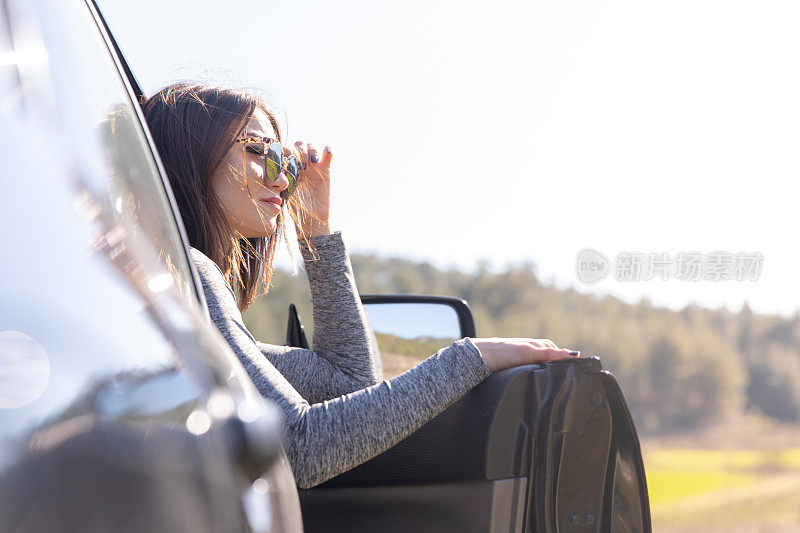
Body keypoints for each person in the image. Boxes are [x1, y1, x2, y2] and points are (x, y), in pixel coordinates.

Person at [141, 83, 581, 489]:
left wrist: (317, 231)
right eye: (258, 151)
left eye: (287, 161)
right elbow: (301, 447)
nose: (281, 178)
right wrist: (472, 357)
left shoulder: (174, 293)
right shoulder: (189, 275)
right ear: (190, 157)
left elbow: (348, 384)